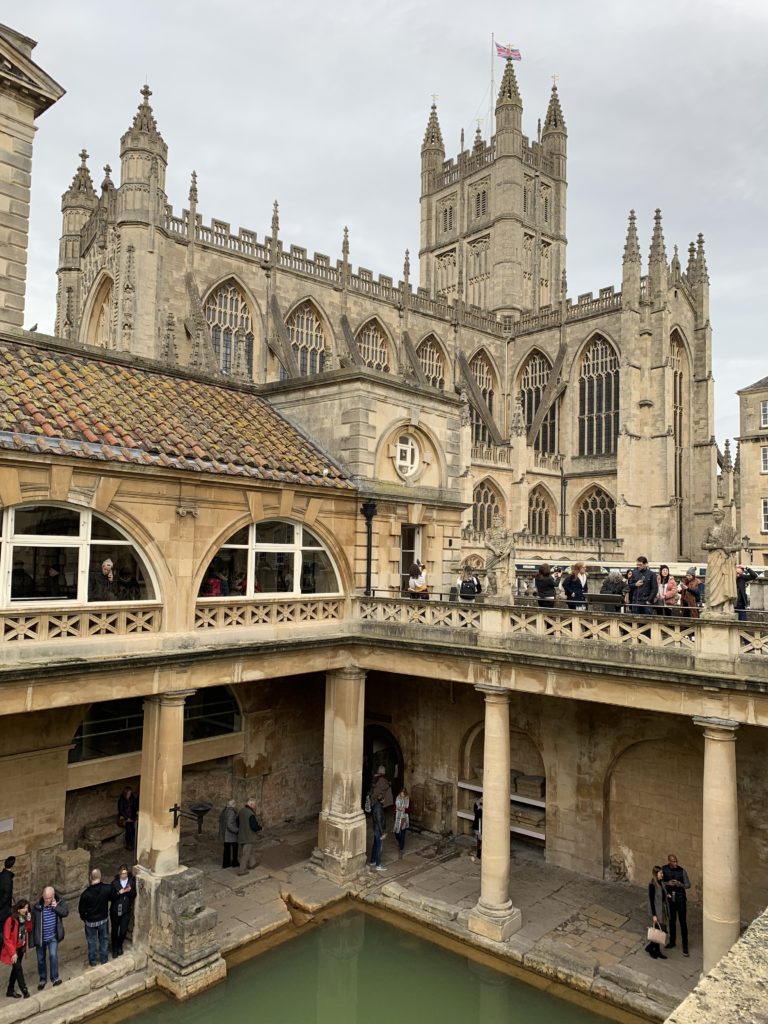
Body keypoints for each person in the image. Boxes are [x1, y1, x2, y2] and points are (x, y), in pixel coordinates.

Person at [701, 506, 739, 617]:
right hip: (714, 558)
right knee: (712, 582)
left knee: (725, 583)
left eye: (718, 514)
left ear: (723, 516)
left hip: (726, 560)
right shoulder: (709, 529)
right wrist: (714, 545)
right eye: (714, 515)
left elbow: (739, 545)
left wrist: (730, 549)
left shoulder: (730, 529)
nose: (715, 517)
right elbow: (703, 545)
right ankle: (711, 606)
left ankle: (725, 606)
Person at [31, 886, 68, 989]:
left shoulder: (59, 902)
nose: (47, 900)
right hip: (41, 938)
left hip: (53, 937)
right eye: (45, 898)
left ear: (53, 896)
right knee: (41, 960)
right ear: (42, 895)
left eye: (49, 898)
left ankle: (55, 978)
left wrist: (56, 907)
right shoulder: (37, 906)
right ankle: (42, 979)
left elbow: (65, 913)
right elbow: (32, 924)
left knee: (53, 956)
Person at [78, 868, 113, 967]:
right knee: (104, 940)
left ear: (90, 878)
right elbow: (113, 897)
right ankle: (104, 959)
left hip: (90, 922)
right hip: (103, 919)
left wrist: (85, 918)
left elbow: (81, 910)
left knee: (92, 941)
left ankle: (93, 961)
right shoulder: (106, 888)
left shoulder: (86, 894)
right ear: (100, 877)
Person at [662, 853, 690, 956]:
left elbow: (688, 885)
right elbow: (660, 882)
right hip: (670, 899)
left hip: (680, 899)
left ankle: (685, 946)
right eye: (673, 861)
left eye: (676, 861)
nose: (675, 863)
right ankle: (672, 941)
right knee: (671, 921)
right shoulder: (664, 869)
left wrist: (680, 884)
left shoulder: (682, 871)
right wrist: (668, 883)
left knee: (683, 922)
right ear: (669, 861)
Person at [2, 899, 31, 999]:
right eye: (23, 908)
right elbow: (6, 938)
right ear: (18, 909)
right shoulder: (11, 920)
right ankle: (24, 990)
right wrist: (13, 953)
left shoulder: (25, 918)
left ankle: (10, 990)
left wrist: (29, 920)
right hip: (13, 950)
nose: (25, 910)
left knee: (15, 970)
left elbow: (29, 930)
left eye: (27, 908)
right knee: (18, 968)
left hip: (20, 948)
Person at [368, 766, 393, 871]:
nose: (384, 801)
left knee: (375, 844)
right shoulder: (378, 808)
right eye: (383, 799)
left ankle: (373, 861)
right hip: (379, 829)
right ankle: (378, 864)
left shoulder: (376, 805)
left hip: (376, 828)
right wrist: (383, 832)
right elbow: (379, 820)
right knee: (379, 846)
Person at [109, 866, 135, 958]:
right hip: (115, 910)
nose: (124, 875)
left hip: (126, 910)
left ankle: (120, 945)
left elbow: (133, 895)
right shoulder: (114, 883)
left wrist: (130, 890)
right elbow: (111, 897)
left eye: (125, 873)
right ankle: (115, 948)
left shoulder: (131, 882)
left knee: (123, 930)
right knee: (115, 930)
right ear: (119, 874)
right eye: (122, 873)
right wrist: (119, 893)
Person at [646, 866, 669, 960]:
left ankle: (651, 948)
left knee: (661, 930)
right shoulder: (652, 885)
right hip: (656, 910)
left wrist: (667, 895)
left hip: (662, 910)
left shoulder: (661, 883)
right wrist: (654, 915)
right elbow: (651, 901)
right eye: (661, 873)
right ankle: (653, 950)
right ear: (656, 874)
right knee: (659, 931)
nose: (662, 875)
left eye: (662, 873)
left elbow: (662, 895)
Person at [236, 797, 262, 876]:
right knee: (246, 853)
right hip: (249, 836)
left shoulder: (241, 811)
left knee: (250, 850)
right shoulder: (250, 814)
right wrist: (259, 828)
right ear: (251, 804)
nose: (255, 806)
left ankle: (252, 864)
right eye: (254, 805)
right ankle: (241, 870)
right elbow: (254, 826)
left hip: (241, 835)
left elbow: (237, 822)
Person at [218, 799, 240, 869]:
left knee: (227, 849)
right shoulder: (231, 812)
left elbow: (221, 822)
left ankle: (226, 863)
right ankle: (234, 862)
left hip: (225, 833)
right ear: (233, 804)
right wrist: (236, 830)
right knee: (235, 848)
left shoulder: (223, 811)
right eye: (235, 804)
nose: (235, 805)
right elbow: (229, 824)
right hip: (231, 835)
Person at [117, 787, 138, 851]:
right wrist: (127, 818)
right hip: (126, 818)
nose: (129, 794)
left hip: (132, 817)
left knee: (133, 830)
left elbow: (135, 806)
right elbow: (121, 810)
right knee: (129, 830)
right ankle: (128, 844)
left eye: (130, 793)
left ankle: (132, 843)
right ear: (125, 793)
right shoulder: (121, 800)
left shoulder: (132, 798)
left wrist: (136, 812)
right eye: (128, 793)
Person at [393, 786, 410, 859]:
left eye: (403, 793)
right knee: (396, 832)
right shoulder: (397, 797)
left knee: (403, 832)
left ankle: (401, 847)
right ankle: (400, 842)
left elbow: (408, 808)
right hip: (398, 817)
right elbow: (395, 807)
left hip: (404, 817)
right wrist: (398, 808)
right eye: (401, 792)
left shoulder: (407, 798)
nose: (402, 794)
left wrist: (404, 810)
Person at [0, 858, 15, 930]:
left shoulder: (1, 875)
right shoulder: (8, 879)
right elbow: (6, 897)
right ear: (12, 866)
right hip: (3, 912)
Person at [471, 796, 483, 862]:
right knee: (480, 840)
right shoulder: (478, 809)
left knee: (480, 841)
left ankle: (479, 855)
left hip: (481, 827)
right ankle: (479, 855)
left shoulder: (479, 809)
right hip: (479, 827)